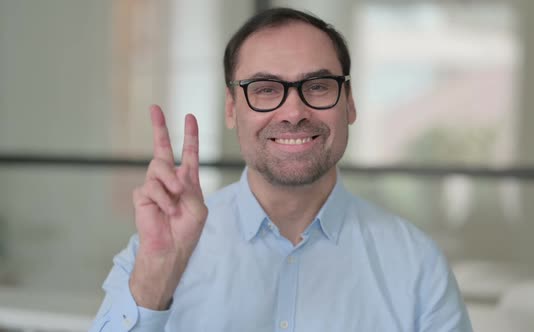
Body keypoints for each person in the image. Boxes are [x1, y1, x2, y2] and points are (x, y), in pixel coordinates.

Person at [90, 7, 472, 332]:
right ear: (230, 109)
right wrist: (156, 276)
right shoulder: (157, 250)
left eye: (318, 86)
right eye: (266, 89)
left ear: (349, 104)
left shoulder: (417, 265)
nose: (293, 112)